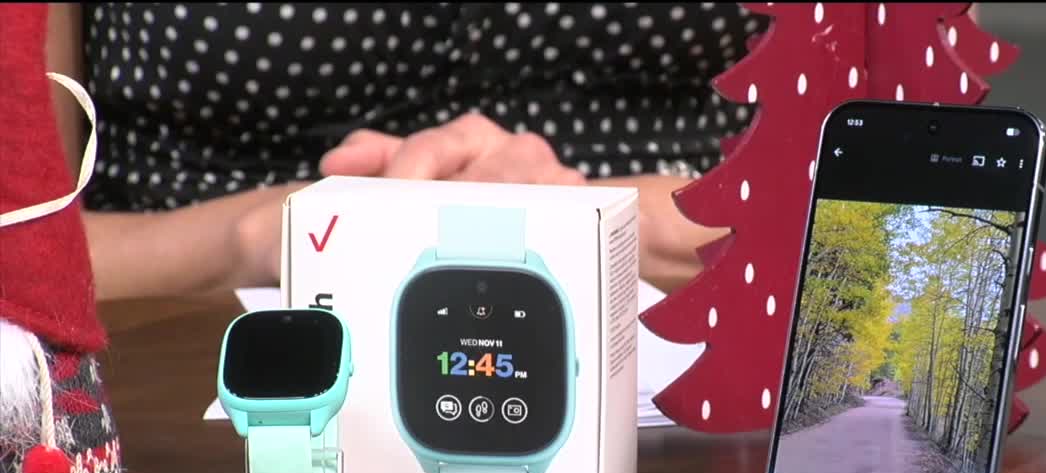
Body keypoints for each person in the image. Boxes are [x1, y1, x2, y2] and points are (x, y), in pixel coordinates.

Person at [44, 3, 761, 299]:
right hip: (204, 363)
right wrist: (261, 234)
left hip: (690, 342)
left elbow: (828, 187)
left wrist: (616, 221)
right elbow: (18, 235)